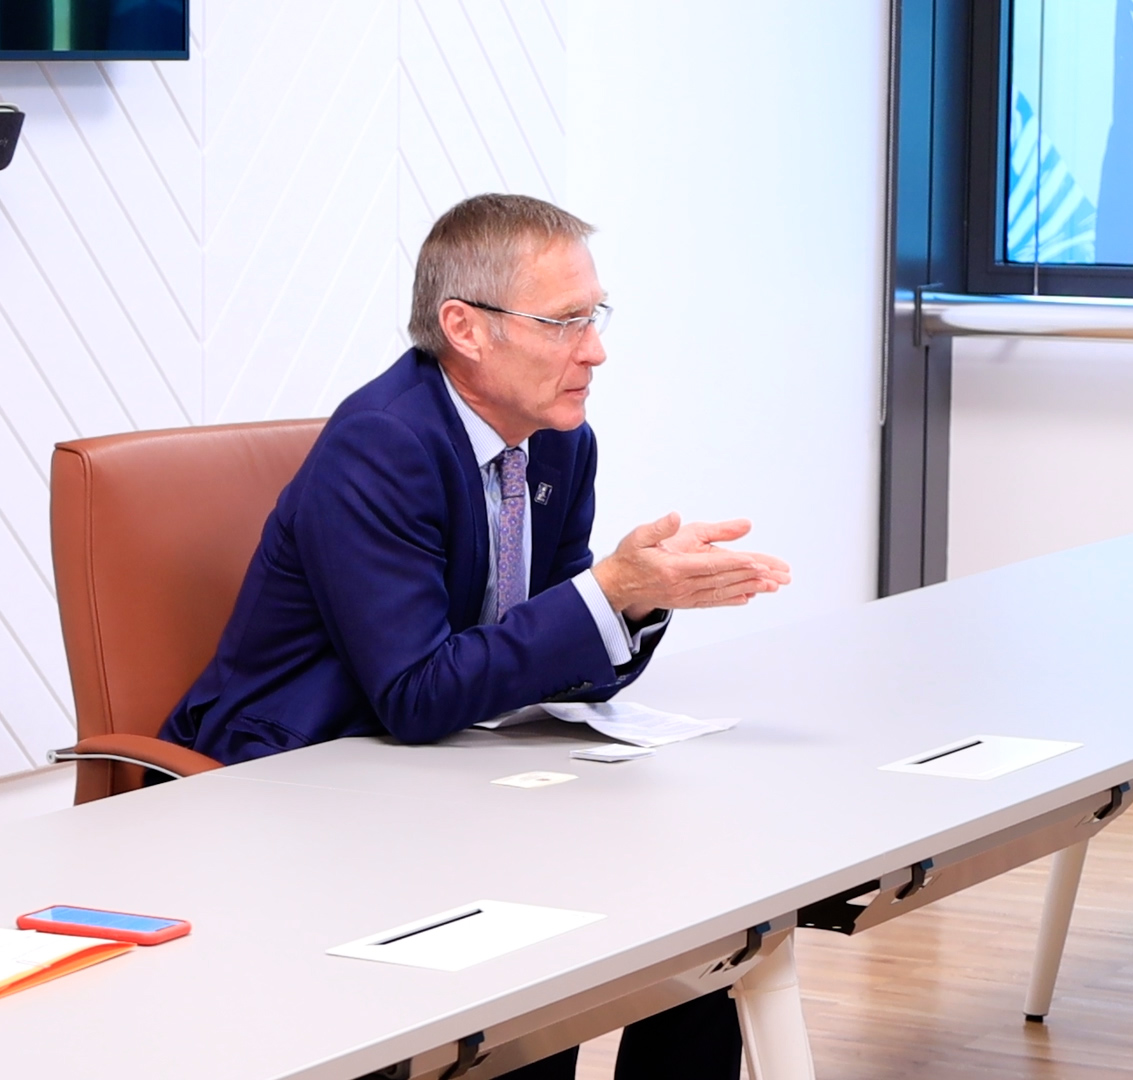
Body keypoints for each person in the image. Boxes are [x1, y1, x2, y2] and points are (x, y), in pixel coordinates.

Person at [161, 194, 792, 1079]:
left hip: (448, 760)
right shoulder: (382, 444)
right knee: (547, 951)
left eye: (597, 316)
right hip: (307, 769)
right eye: (565, 322)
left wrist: (635, 602)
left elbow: (554, 659)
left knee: (708, 911)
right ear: (465, 328)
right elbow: (415, 693)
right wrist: (605, 594)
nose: (595, 350)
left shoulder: (559, 442)